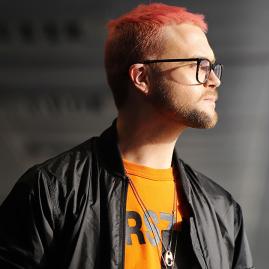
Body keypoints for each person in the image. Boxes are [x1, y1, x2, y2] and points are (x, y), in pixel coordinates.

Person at [0, 3, 254, 269]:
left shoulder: (222, 211)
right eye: (198, 65)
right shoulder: (52, 191)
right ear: (142, 77)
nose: (214, 79)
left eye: (212, 66)